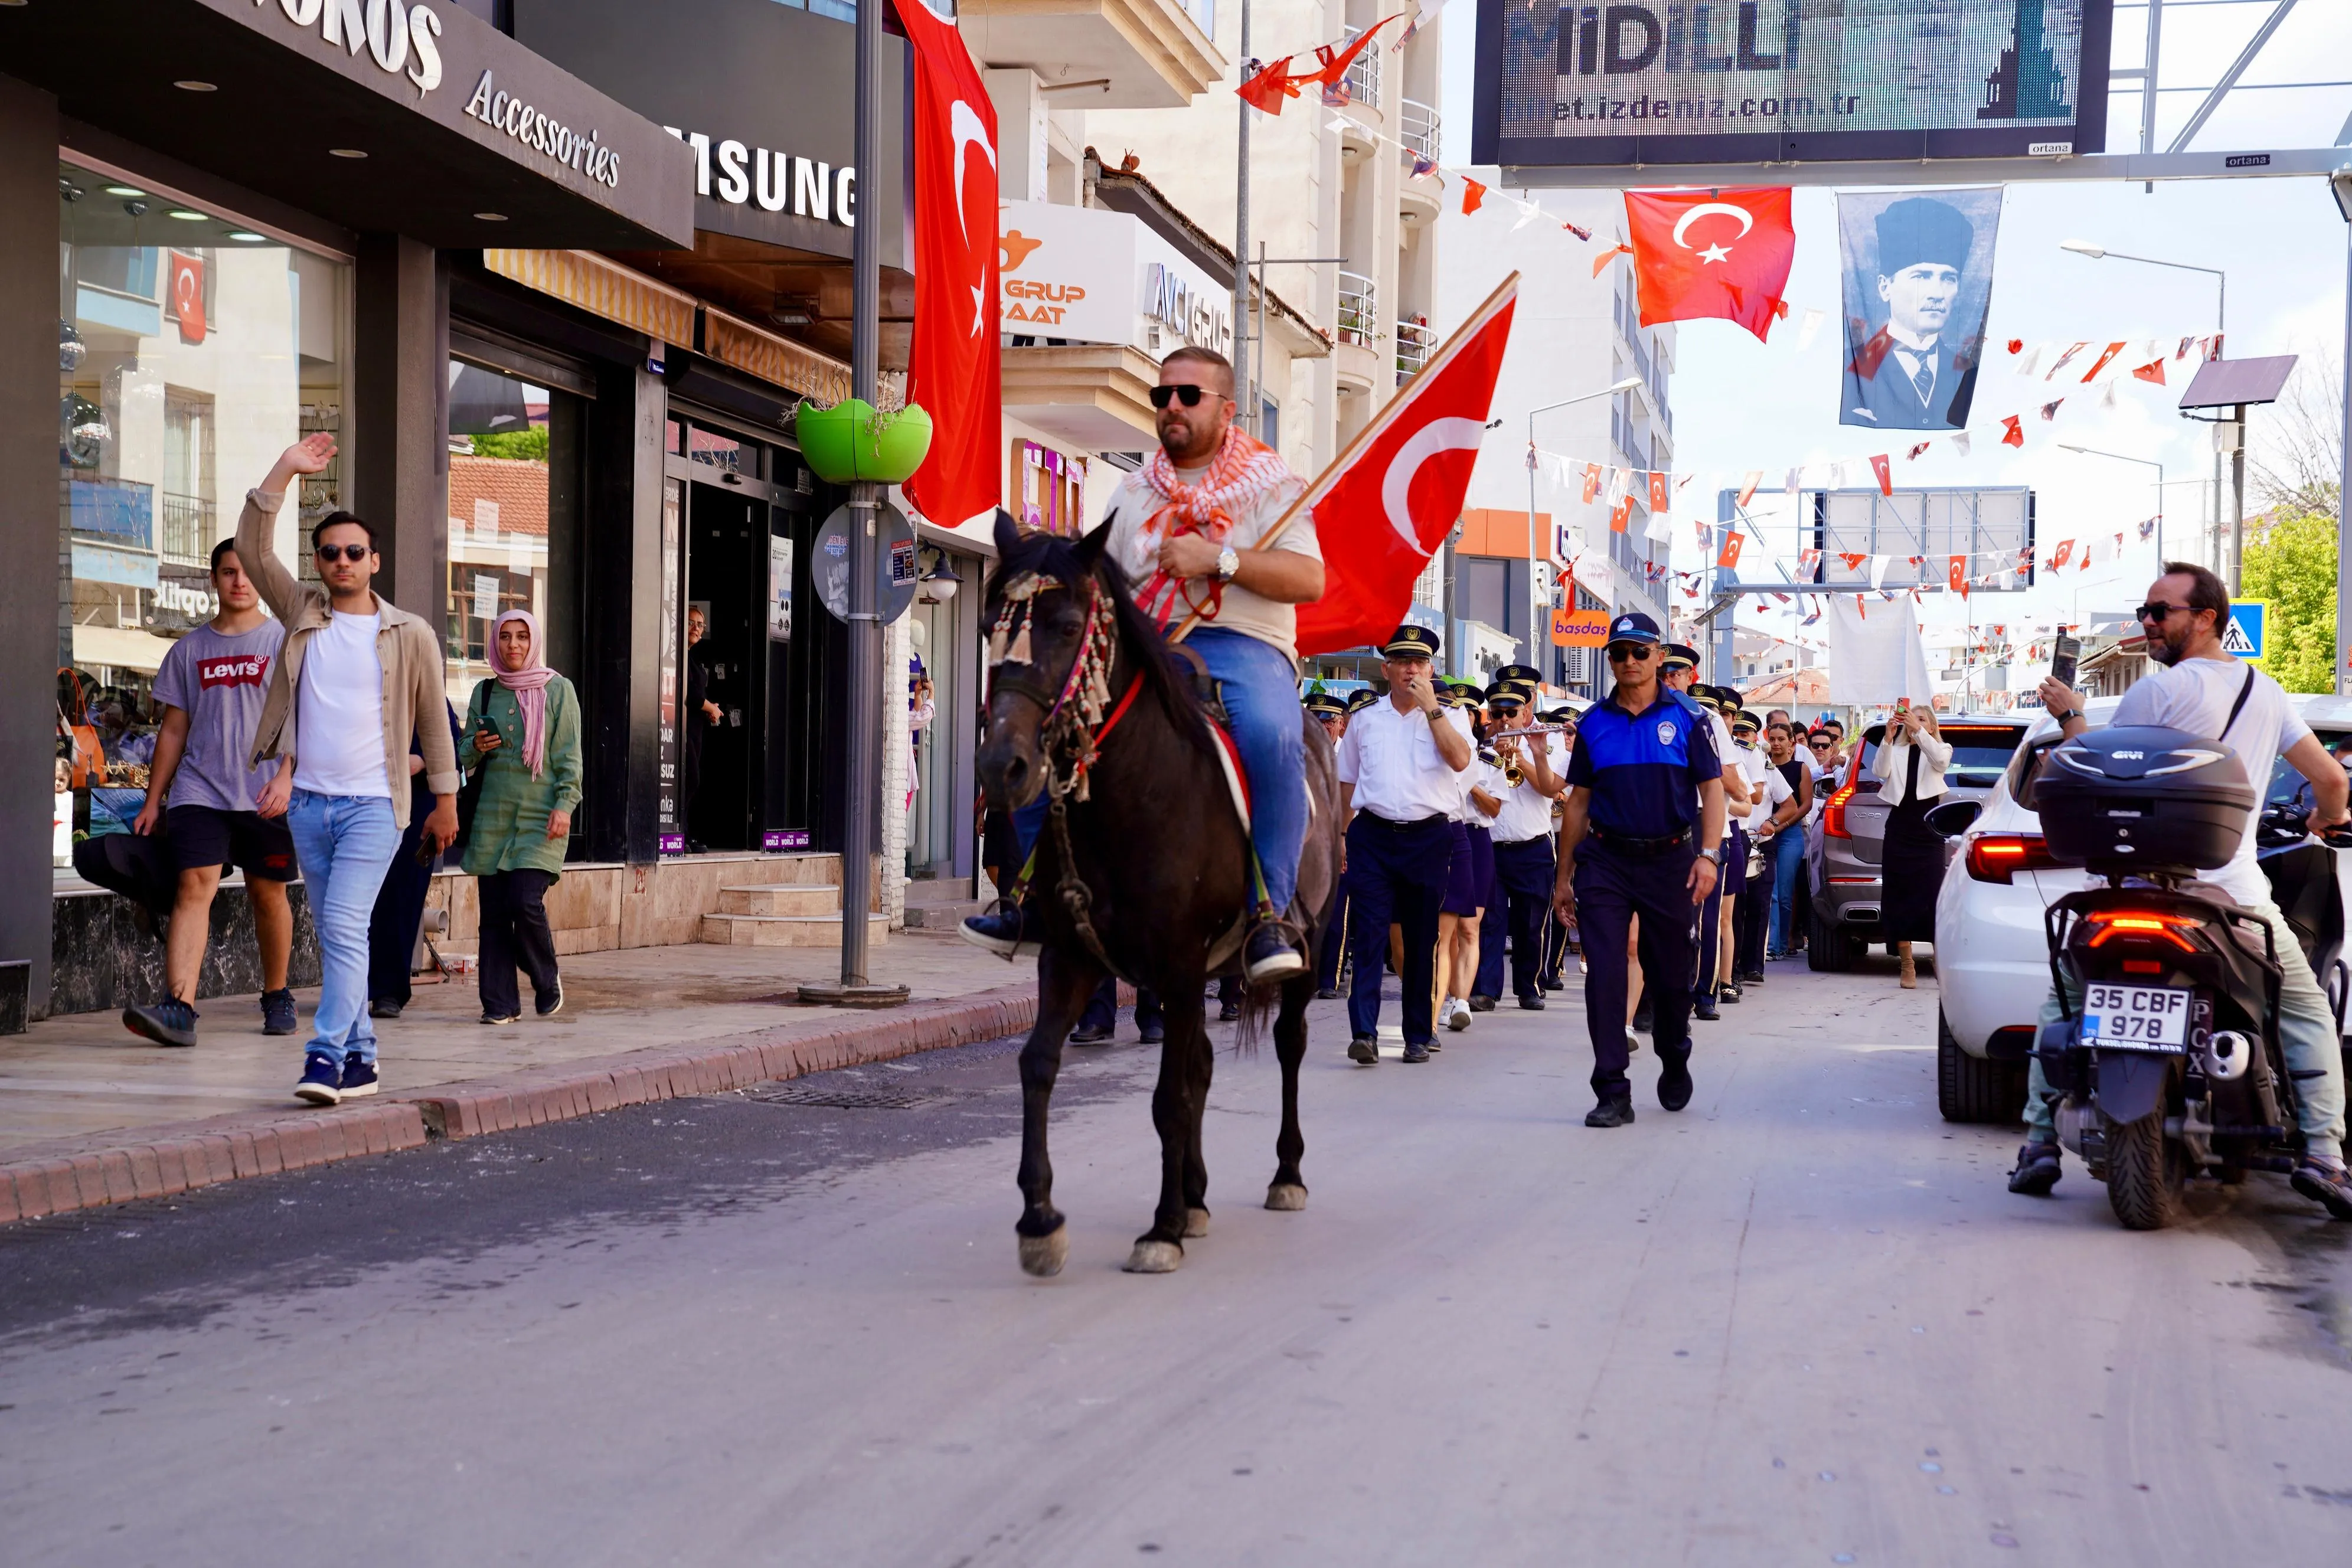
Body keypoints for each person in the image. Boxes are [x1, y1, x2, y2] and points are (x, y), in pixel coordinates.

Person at [965, 345, 1324, 984]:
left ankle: (1271, 911)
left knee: (1273, 736)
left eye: (1189, 395)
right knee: (1045, 734)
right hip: (1146, 643)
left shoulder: (1275, 485)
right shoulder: (1133, 490)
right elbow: (1099, 581)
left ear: (1227, 407)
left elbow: (1309, 578)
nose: (1173, 408)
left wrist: (1220, 559)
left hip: (1244, 642)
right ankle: (1029, 899)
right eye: (1163, 397)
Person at [2013, 563, 2352, 1219]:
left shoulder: (2155, 693)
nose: (2147, 622)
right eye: (2144, 611)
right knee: (2305, 1008)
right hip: (2231, 895)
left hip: (2129, 888)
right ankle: (2325, 1156)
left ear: (2204, 618)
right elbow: (2332, 782)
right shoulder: (2268, 693)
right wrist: (2326, 818)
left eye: (2159, 612)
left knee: (2066, 994)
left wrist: (2073, 713)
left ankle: (2035, 1144)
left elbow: (2103, 771)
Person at [239, 435, 460, 1106]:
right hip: (309, 803)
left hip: (374, 807)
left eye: (354, 552)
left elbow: (432, 724)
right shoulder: (301, 611)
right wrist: (286, 469)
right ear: (319, 562)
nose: (341, 560)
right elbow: (251, 548)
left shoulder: (410, 633)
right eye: (330, 552)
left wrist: (445, 802)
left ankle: (326, 1054)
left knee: (340, 926)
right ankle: (364, 1057)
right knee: (342, 932)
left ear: (375, 561)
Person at [121, 539, 299, 1048]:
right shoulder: (189, 650)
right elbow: (173, 731)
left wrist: (287, 776)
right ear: (212, 579)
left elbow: (302, 718)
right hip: (200, 790)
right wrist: (155, 800)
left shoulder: (284, 642)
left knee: (268, 895)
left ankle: (277, 993)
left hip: (265, 790)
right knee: (193, 887)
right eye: (227, 572)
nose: (239, 582)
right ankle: (179, 1008)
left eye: (246, 573)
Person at [1552, 612, 1725, 1126]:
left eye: (1639, 652)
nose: (1629, 661)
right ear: (1610, 660)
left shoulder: (1692, 719)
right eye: (1620, 653)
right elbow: (1578, 803)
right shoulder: (1594, 724)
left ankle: (1674, 1053)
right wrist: (1563, 877)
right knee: (1603, 973)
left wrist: (1709, 854)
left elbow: (1712, 790)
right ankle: (1612, 1090)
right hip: (1605, 860)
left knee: (1671, 979)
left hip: (1671, 860)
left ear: (1658, 657)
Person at [1334, 624, 1471, 1064]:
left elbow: (1461, 760)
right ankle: (1364, 1034)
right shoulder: (1366, 718)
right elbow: (1347, 779)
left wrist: (1433, 710)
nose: (1411, 669)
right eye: (1402, 662)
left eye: (1420, 662)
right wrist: (1341, 833)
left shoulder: (1451, 715)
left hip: (1428, 836)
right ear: (1387, 668)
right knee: (1369, 934)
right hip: (1372, 835)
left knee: (1420, 937)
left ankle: (1416, 1033)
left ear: (1431, 669)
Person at [461, 609, 583, 1025]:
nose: (514, 645)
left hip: (541, 818)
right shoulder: (483, 692)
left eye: (522, 637)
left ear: (535, 643)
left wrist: (565, 806)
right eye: (506, 638)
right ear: (495, 642)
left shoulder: (559, 691)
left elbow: (569, 759)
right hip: (493, 817)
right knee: (494, 913)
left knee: (524, 901)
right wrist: (476, 744)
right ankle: (499, 1005)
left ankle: (545, 977)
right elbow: (462, 756)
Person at [1660, 649, 1747, 1023]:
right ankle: (1660, 994)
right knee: (1663, 915)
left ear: (1690, 676)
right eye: (1663, 672)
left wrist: (1701, 761)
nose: (1669, 679)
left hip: (1704, 821)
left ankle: (1705, 994)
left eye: (1676, 673)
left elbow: (1739, 789)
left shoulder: (1705, 718)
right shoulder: (1644, 715)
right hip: (1662, 821)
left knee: (1707, 918)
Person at [1843, 194, 1979, 431]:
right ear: (1885, 287)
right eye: (1921, 277)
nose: (1937, 293)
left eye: (1948, 278)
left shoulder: (1967, 372)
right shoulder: (1853, 369)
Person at [1472, 684, 1565, 1010]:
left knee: (1531, 923)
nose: (1505, 720)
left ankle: (1530, 986)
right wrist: (1493, 753)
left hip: (1533, 846)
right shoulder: (1481, 744)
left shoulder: (1549, 741)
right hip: (1491, 845)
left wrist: (1522, 759)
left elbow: (1551, 791)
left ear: (1526, 711)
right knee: (1490, 922)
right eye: (1497, 713)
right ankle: (1485, 989)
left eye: (1512, 712)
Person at [369, 704, 464, 1020]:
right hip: (361, 797)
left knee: (400, 896)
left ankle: (387, 990)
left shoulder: (424, 681)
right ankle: (349, 987)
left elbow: (451, 746)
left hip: (415, 804)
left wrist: (423, 759)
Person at [1438, 684, 1501, 1033]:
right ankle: (1444, 998)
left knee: (1469, 927)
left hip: (1476, 839)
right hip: (1442, 835)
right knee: (1443, 930)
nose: (1456, 716)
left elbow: (1494, 807)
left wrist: (1472, 783)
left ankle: (1462, 1000)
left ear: (1473, 717)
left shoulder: (1488, 759)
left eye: (1463, 711)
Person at [1873, 698, 1948, 990]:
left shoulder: (1939, 749)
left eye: (1922, 719)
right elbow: (1880, 772)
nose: (1914, 721)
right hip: (1900, 828)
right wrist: (1889, 739)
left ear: (1932, 725)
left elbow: (1940, 761)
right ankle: (1907, 964)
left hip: (1928, 830)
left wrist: (1920, 732)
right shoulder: (1898, 749)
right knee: (1898, 895)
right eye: (1911, 718)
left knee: (1931, 895)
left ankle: (1940, 959)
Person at [1757, 720, 1814, 960]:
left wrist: (1783, 824)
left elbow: (1806, 804)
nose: (1777, 744)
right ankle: (1772, 946)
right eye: (1773, 739)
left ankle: (1781, 943)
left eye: (1782, 739)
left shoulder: (1800, 768)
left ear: (1792, 743)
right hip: (1764, 833)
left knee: (1785, 892)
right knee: (1771, 891)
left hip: (1790, 833)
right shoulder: (1762, 766)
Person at [681, 605, 721, 854]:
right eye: (691, 622)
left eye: (700, 624)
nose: (696, 628)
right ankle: (680, 835)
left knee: (691, 780)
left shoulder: (691, 659)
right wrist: (711, 708)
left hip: (695, 733)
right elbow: (691, 695)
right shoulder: (678, 658)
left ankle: (683, 834)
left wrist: (710, 710)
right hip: (681, 732)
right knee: (690, 779)